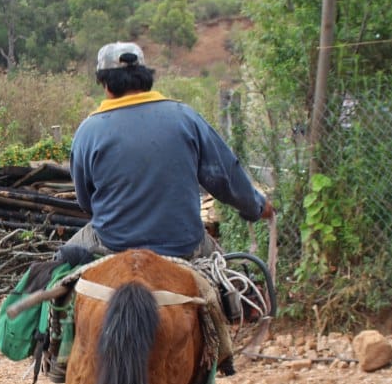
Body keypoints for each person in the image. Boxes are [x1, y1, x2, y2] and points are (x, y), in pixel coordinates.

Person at [67, 41, 273, 260]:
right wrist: (257, 206)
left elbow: (85, 200)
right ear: (145, 78)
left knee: (58, 265)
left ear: (105, 83)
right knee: (228, 282)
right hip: (184, 245)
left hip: (114, 244)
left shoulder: (88, 131)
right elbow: (224, 177)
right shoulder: (185, 117)